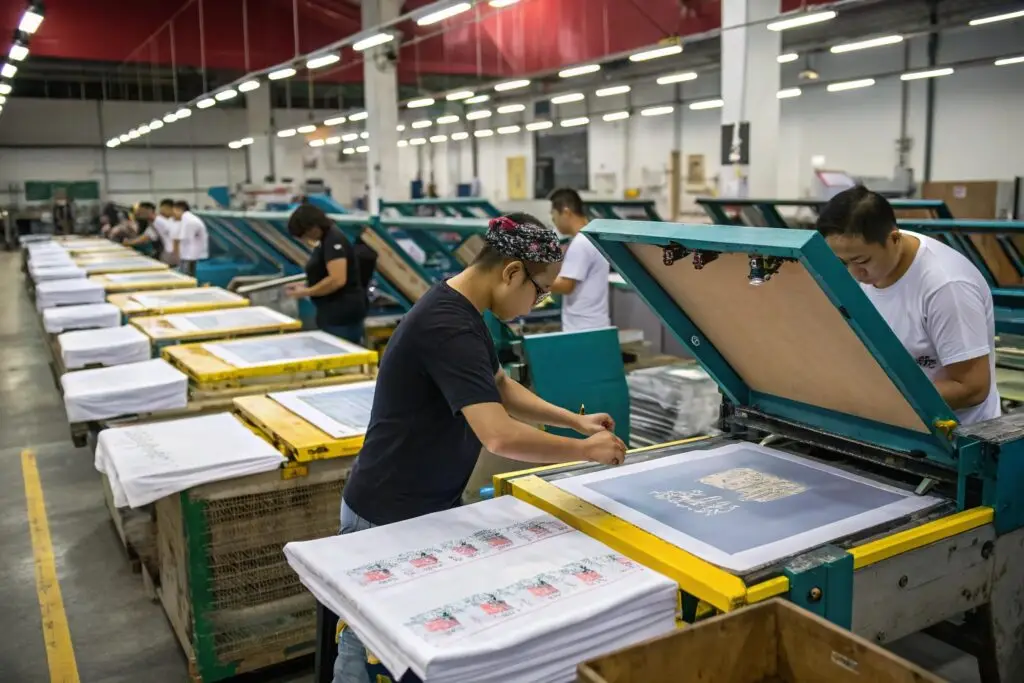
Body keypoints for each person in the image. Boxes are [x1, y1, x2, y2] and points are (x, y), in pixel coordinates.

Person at [331, 212, 627, 683]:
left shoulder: (463, 310)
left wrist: (575, 421)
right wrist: (586, 452)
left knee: (403, 641)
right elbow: (499, 434)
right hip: (388, 510)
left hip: (422, 503)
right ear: (511, 272)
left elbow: (499, 387)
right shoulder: (447, 324)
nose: (538, 301)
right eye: (540, 289)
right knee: (368, 643)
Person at [816, 186, 1000, 425]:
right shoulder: (870, 267)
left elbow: (972, 388)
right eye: (843, 262)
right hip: (897, 423)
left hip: (955, 436)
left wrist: (879, 402)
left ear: (894, 238)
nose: (855, 274)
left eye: (862, 261)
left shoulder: (946, 287)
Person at [285, 204, 368, 344]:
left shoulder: (333, 241)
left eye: (305, 234)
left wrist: (307, 292)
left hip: (341, 313)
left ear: (314, 227)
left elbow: (337, 280)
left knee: (343, 355)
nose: (306, 239)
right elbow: (324, 273)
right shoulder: (325, 241)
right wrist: (306, 284)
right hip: (332, 311)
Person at [548, 187, 611, 331]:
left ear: (566, 212)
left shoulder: (581, 242)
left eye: (554, 217)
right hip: (593, 324)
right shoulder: (593, 236)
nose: (554, 223)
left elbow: (566, 285)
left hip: (583, 328)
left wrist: (534, 280)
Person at [124, 199, 180, 265]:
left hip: (171, 256)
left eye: (141, 211)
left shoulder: (160, 221)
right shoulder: (159, 221)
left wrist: (128, 242)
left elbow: (144, 238)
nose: (139, 214)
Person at [172, 200, 208, 276]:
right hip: (189, 255)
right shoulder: (187, 219)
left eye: (173, 211)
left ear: (179, 209)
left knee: (187, 277)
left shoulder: (189, 220)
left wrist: (178, 258)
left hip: (190, 257)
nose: (173, 215)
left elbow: (182, 240)